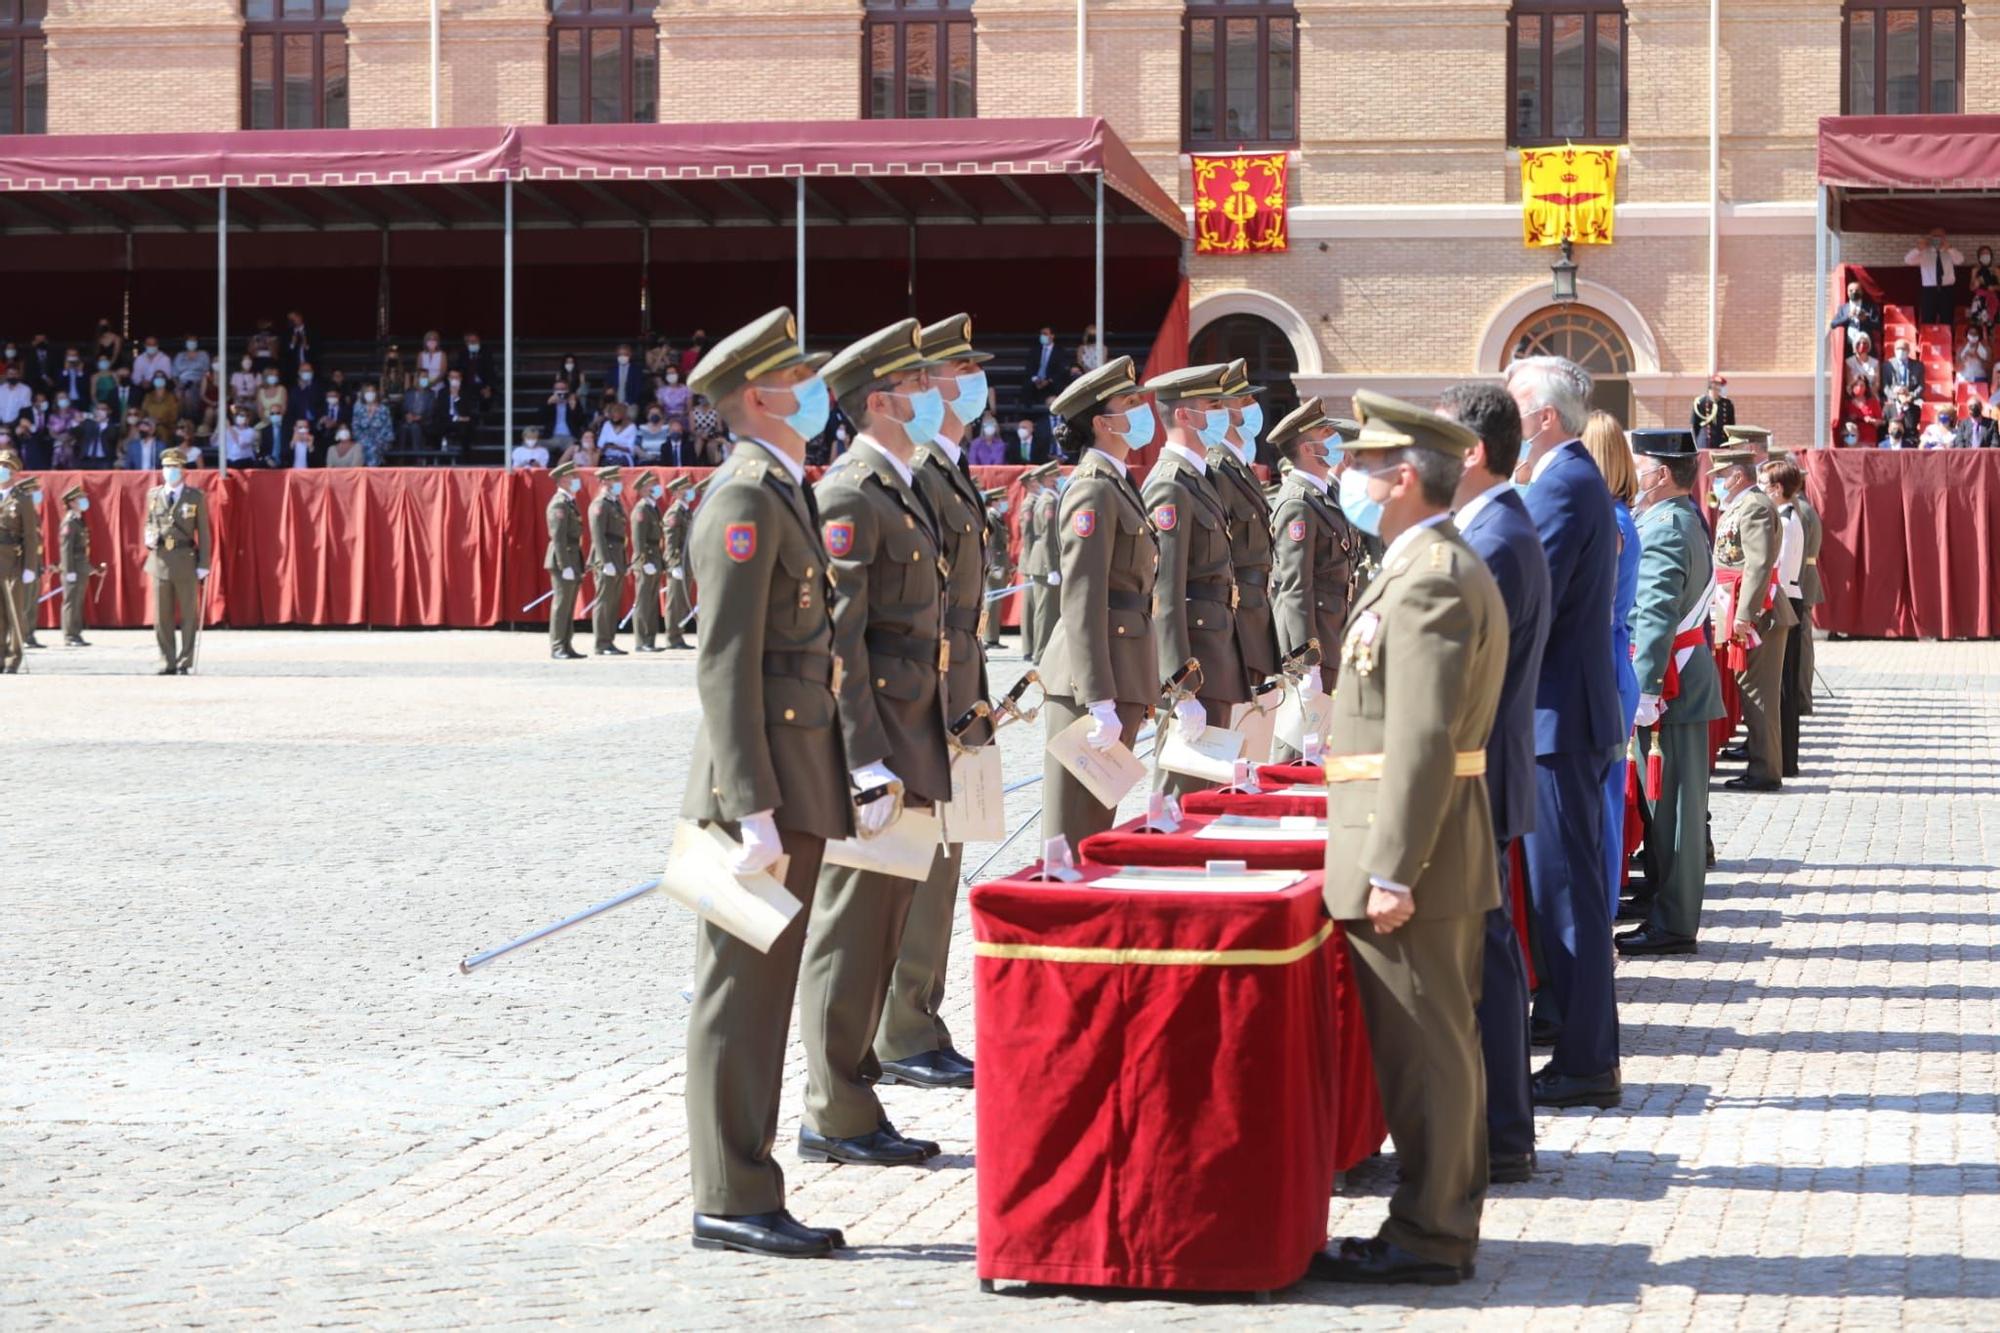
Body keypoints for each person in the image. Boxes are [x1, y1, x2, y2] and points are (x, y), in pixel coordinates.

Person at [1309, 390, 1507, 1288]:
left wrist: (1392, 866)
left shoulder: (1430, 573)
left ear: (1398, 479)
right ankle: (1435, 1216)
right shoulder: (1425, 563)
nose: (1345, 476)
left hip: (1412, 856)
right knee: (1435, 1044)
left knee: (1428, 1048)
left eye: (1359, 464)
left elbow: (1424, 737)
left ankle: (1431, 1230)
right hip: (1419, 845)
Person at [678, 307, 854, 1259]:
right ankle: (730, 1194)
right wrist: (750, 804)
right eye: (803, 376)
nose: (818, 392)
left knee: (764, 991)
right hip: (756, 795)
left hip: (789, 780)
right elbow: (725, 664)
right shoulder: (745, 497)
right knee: (739, 994)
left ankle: (745, 1183)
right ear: (760, 396)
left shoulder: (781, 490)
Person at [793, 319, 954, 1173]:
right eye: (923, 385)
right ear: (885, 401)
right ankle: (832, 1106)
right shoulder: (852, 491)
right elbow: (838, 641)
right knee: (851, 931)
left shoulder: (904, 483)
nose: (938, 397)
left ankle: (855, 1093)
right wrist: (862, 760)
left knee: (884, 927)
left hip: (912, 734)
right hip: (880, 746)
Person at [871, 314, 1000, 1091]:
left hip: (959, 683)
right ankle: (900, 1025)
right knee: (914, 864)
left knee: (943, 859)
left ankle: (919, 1013)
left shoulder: (945, 467)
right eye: (953, 373)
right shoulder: (918, 469)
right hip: (928, 691)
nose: (970, 385)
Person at [1440, 380, 1552, 1187]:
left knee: (1483, 958)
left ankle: (1501, 1131)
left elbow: (1470, 677)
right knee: (1486, 954)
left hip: (1475, 774)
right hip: (1484, 769)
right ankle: (1500, 1126)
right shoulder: (1495, 528)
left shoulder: (1498, 538)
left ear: (1473, 453)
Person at [1504, 354, 1623, 1110]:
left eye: (1513, 402)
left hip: (1555, 717)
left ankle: (1586, 1058)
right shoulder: (1565, 479)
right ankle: (1575, 1038)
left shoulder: (1564, 483)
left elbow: (1523, 597)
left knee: (1568, 895)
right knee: (1560, 889)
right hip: (1558, 714)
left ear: (1544, 415)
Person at [1035, 356, 1158, 850]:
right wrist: (1098, 696)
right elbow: (1082, 597)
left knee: (1095, 827)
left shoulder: (1120, 484)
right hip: (1091, 681)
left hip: (1120, 672)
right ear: (1104, 423)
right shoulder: (1092, 489)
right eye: (1130, 403)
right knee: (1072, 831)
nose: (1142, 409)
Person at [1616, 430, 1722, 957]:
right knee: (1664, 805)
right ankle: (1661, 896)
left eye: (1639, 466)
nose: (1633, 475)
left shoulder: (1664, 527)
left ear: (1660, 474)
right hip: (1676, 676)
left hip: (1670, 683)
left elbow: (1655, 614)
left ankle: (1675, 921)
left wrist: (1645, 687)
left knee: (1674, 806)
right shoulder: (1674, 519)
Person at [1142, 362, 1248, 789]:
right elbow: (1164, 592)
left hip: (1216, 652)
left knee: (1207, 797)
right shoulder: (1171, 484)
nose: (1226, 414)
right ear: (1184, 415)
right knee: (1180, 796)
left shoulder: (1199, 480)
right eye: (1214, 405)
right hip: (1195, 662)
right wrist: (1180, 685)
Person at [1266, 402, 1357, 763]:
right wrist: (1306, 664)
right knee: (1295, 749)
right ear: (1306, 449)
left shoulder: (1323, 495)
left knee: (1317, 746)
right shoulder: (1298, 503)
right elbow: (1294, 587)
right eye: (1325, 437)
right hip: (1314, 640)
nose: (1334, 443)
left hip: (1332, 632)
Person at [1580, 409, 1642, 920]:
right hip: (1609, 662)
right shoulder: (1616, 517)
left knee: (1599, 805)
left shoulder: (1611, 522)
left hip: (1601, 664)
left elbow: (1595, 608)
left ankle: (1599, 916)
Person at [1707, 442, 1794, 792]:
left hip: (1758, 613)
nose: (1717, 482)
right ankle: (1762, 765)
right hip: (1745, 607)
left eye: (1722, 476)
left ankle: (1764, 772)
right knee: (1752, 693)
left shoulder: (1754, 506)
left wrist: (1745, 614)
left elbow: (1757, 563)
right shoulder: (1743, 505)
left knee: (1759, 696)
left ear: (1738, 475)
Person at [1213, 359, 1282, 698]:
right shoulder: (1217, 468)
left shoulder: (1238, 466)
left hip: (1253, 607)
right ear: (1224, 410)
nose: (1254, 408)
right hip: (1234, 614)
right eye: (1245, 401)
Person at [142, 449, 212, 676]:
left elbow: (204, 531)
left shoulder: (194, 497)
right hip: (160, 560)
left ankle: (185, 660)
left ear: (183, 470)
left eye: (174, 467)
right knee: (162, 616)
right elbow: (150, 522)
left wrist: (204, 563)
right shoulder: (154, 494)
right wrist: (149, 535)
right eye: (166, 467)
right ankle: (167, 660)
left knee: (189, 616)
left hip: (185, 560)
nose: (169, 472)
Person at [1761, 457, 1807, 780]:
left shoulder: (1786, 520)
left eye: (1765, 484)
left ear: (1777, 489)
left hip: (1785, 599)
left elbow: (1776, 566)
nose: (1763, 489)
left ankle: (1786, 758)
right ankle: (1785, 757)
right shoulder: (1788, 515)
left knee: (1783, 685)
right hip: (1788, 596)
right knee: (1782, 684)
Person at [544, 459, 586, 661]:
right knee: (561, 605)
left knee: (569, 605)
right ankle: (558, 646)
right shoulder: (559, 504)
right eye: (572, 477)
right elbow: (558, 537)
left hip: (571, 556)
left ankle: (567, 644)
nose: (576, 480)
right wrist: (565, 564)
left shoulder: (569, 502)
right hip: (563, 559)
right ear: (562, 480)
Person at [587, 465, 630, 656]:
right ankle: (601, 642)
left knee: (613, 602)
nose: (619, 483)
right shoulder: (600, 504)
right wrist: (605, 562)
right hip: (607, 558)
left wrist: (624, 560)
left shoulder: (614, 503)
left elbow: (621, 536)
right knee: (604, 601)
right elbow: (598, 536)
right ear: (605, 482)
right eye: (615, 480)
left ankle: (609, 640)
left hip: (617, 556)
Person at [629, 472, 671, 653]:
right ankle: (641, 640)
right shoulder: (641, 509)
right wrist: (644, 560)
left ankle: (650, 639)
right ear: (644, 489)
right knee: (644, 602)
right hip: (646, 560)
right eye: (652, 485)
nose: (656, 487)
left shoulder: (653, 508)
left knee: (652, 602)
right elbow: (638, 539)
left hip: (654, 557)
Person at [0, 451, 34, 673]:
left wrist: (30, 567)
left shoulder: (22, 499)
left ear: (14, 472)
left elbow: (31, 535)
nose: (2, 470)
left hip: (14, 561)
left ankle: (14, 657)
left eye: (7, 467)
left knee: (14, 613)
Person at [1017, 464, 1051, 658]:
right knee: (1032, 606)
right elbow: (1028, 535)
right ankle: (1029, 648)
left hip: (1033, 559)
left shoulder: (1037, 501)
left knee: (1034, 605)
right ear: (1029, 484)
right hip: (1032, 558)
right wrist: (1031, 563)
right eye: (1034, 481)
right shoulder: (1029, 503)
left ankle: (1030, 647)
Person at [56, 484, 93, 648]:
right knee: (71, 602)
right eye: (80, 499)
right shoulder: (69, 522)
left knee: (77, 601)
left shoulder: (78, 520)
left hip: (80, 567)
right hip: (73, 568)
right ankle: (69, 635)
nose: (84, 501)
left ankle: (76, 633)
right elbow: (65, 548)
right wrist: (68, 570)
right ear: (71, 503)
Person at [662, 477, 695, 649]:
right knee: (675, 602)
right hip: (678, 563)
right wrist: (674, 564)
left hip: (686, 562)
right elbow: (670, 543)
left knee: (682, 601)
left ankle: (678, 637)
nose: (690, 491)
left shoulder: (686, 512)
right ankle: (672, 638)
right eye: (686, 488)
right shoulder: (674, 513)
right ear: (676, 493)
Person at [1905, 229, 1964, 325]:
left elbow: (1960, 260)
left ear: (1944, 238)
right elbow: (1908, 260)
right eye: (1934, 236)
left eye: (1940, 236)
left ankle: (1946, 339)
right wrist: (1919, 248)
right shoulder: (1924, 252)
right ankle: (1928, 339)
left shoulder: (1950, 251)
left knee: (1947, 319)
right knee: (1928, 320)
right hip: (1929, 291)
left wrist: (1950, 248)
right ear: (1930, 238)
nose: (1937, 238)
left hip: (1947, 290)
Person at [1828, 281, 1882, 353]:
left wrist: (1865, 320)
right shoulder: (1843, 308)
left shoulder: (1870, 307)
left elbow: (1878, 325)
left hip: (1866, 346)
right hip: (1849, 346)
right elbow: (1833, 324)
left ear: (1861, 292)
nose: (1854, 292)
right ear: (1847, 292)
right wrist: (1848, 317)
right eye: (1851, 291)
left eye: (1857, 290)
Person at [434, 369, 478, 456]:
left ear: (460, 379)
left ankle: (465, 456)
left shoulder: (466, 393)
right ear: (448, 379)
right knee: (436, 427)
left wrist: (456, 398)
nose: (454, 380)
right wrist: (456, 418)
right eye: (451, 377)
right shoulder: (442, 392)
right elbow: (440, 411)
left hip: (462, 422)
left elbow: (468, 412)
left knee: (465, 429)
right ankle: (440, 456)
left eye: (456, 377)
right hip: (447, 420)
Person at [352, 385, 394, 467]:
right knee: (361, 448)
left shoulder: (383, 409)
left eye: (372, 391)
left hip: (381, 440)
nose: (370, 394)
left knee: (373, 448)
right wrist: (364, 439)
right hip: (363, 440)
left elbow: (387, 427)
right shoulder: (358, 408)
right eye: (368, 392)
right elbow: (355, 427)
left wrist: (377, 440)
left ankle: (372, 473)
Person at [1689, 375, 1735, 449]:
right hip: (1705, 442)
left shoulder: (1727, 404)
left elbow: (1731, 425)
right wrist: (1695, 443)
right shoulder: (1700, 402)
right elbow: (1695, 426)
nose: (1720, 388)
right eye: (1718, 385)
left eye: (1721, 385)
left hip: (1722, 442)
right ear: (1712, 386)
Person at [1024, 326, 1064, 401]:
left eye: (1045, 334)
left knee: (1057, 386)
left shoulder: (1059, 351)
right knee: (1027, 386)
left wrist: (1048, 381)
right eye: (1041, 334)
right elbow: (1029, 366)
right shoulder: (1035, 350)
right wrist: (1035, 379)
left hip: (1051, 382)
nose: (1042, 336)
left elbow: (1061, 370)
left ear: (1052, 336)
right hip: (1036, 381)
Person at [604, 343, 648, 408]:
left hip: (631, 403)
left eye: (624, 354)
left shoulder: (636, 370)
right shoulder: (612, 370)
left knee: (632, 414)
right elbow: (608, 387)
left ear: (630, 355)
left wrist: (627, 403)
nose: (622, 357)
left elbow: (638, 390)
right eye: (620, 355)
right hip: (614, 404)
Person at [543, 379, 584, 444]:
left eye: (562, 389)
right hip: (552, 437)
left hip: (570, 437)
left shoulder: (574, 401)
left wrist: (573, 409)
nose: (560, 391)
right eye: (557, 389)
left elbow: (581, 422)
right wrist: (548, 404)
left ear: (567, 390)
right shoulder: (549, 401)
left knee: (576, 447)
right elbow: (540, 419)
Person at [598, 401, 639, 466]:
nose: (615, 415)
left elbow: (631, 449)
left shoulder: (631, 427)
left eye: (618, 413)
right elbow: (600, 444)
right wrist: (605, 446)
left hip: (623, 457)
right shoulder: (607, 425)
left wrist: (616, 447)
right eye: (613, 413)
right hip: (607, 457)